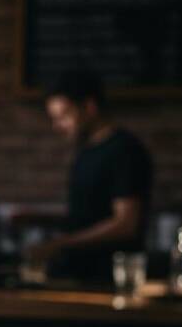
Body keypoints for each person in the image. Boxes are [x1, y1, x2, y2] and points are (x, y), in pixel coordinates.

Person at [28, 69, 152, 281]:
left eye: (64, 116)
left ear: (89, 107)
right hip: (79, 275)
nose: (57, 126)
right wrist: (38, 218)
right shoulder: (86, 152)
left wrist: (58, 245)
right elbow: (89, 216)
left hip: (110, 279)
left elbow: (125, 224)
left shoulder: (124, 150)